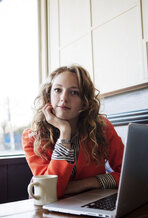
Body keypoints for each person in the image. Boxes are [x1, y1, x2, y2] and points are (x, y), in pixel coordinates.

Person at [22, 64, 124, 198]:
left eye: (74, 92)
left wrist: (86, 183)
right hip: (49, 211)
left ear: (84, 101)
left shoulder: (103, 128)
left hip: (93, 203)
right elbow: (50, 190)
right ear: (48, 96)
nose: (64, 98)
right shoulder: (32, 137)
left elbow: (128, 175)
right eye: (58, 90)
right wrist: (65, 132)